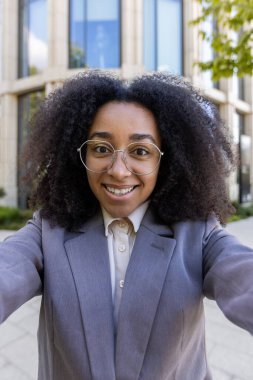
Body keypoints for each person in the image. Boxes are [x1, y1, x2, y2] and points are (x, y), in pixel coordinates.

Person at [0, 70, 252, 380]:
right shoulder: (48, 230)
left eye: (141, 151)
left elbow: (243, 276)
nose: (119, 171)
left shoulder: (198, 234)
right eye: (101, 149)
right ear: (79, 155)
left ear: (166, 160)